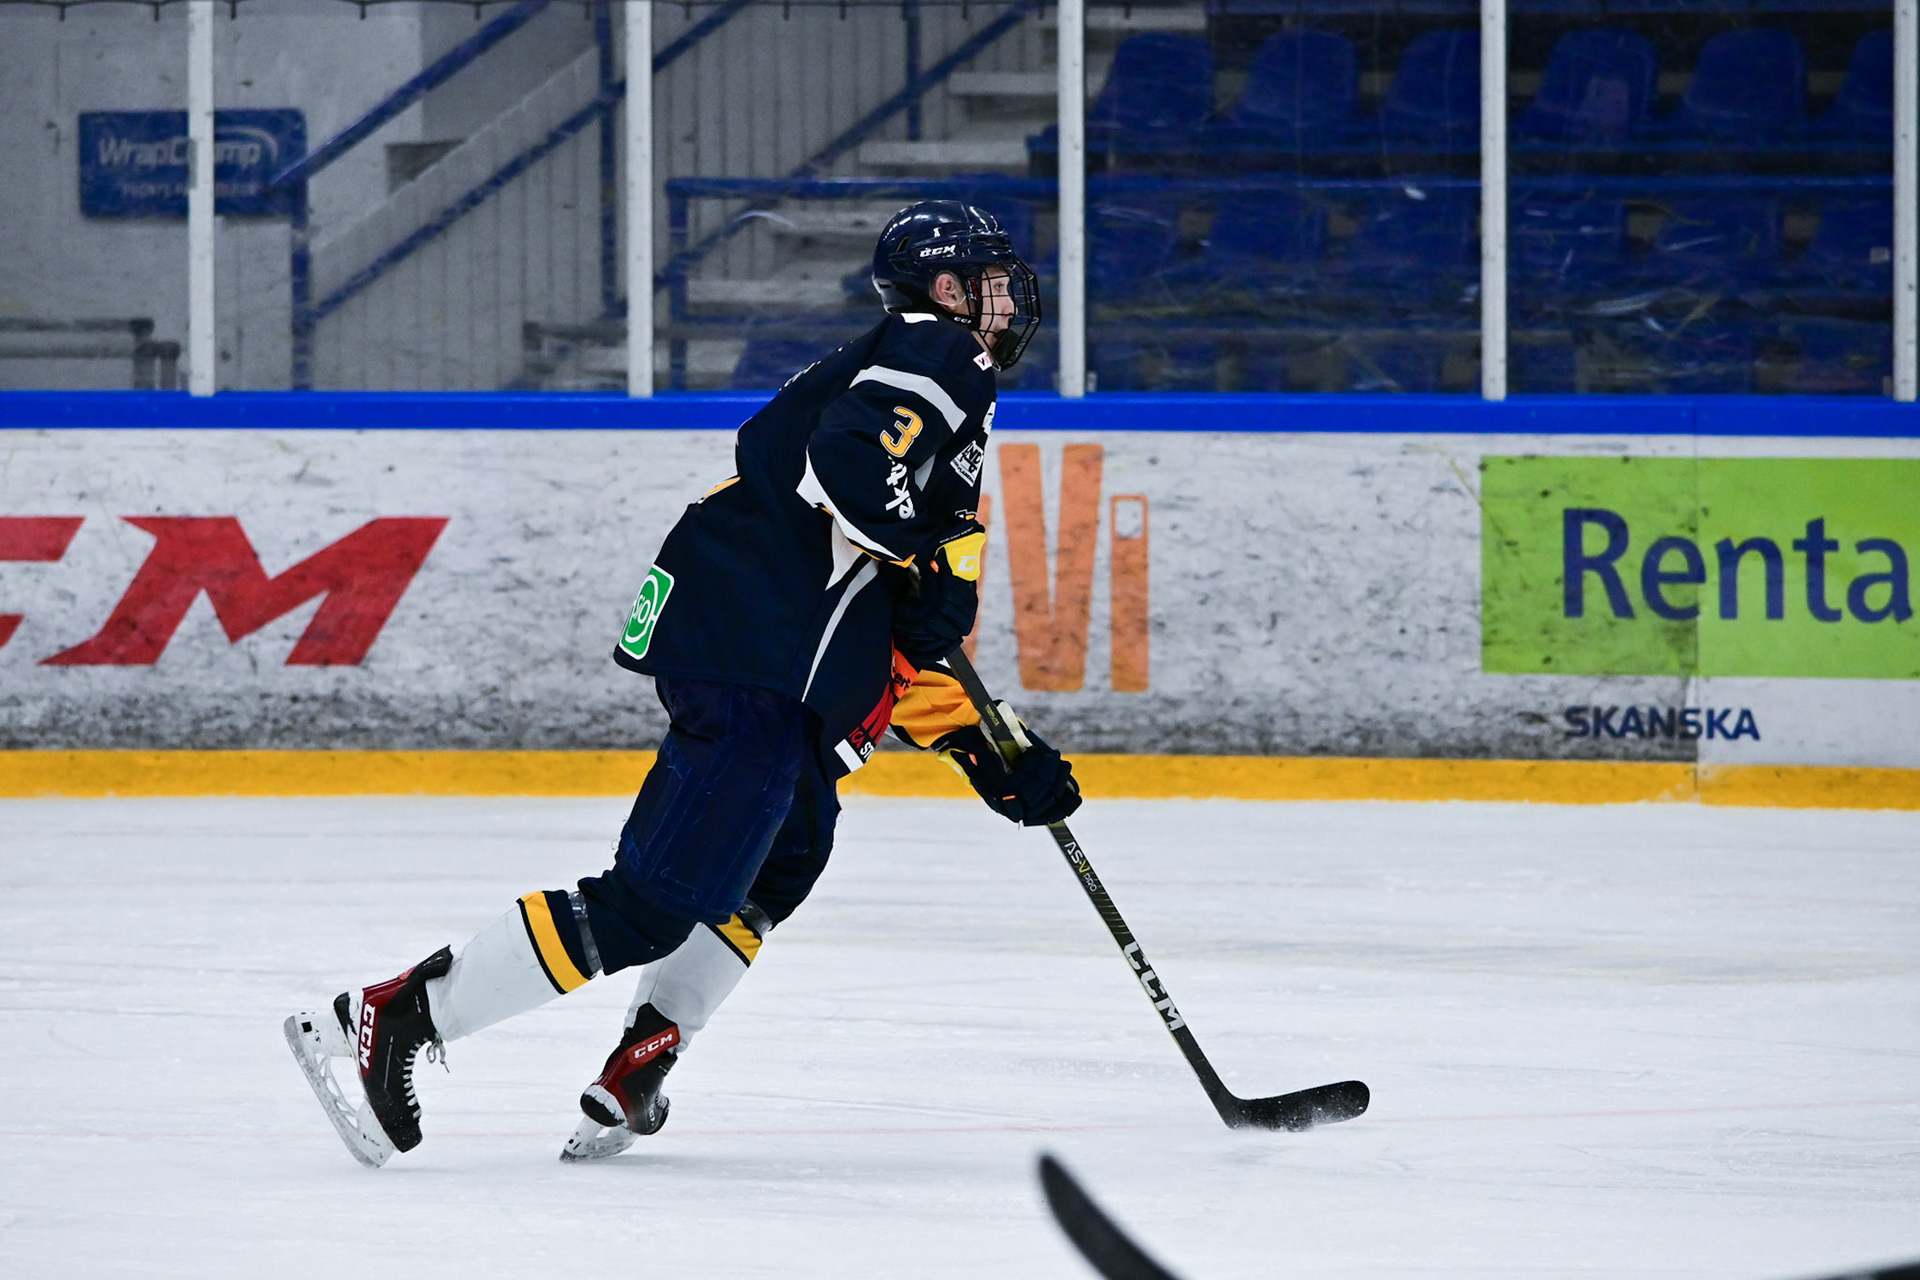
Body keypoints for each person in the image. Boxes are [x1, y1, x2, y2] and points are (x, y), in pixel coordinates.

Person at [285, 201, 1084, 1169]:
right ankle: (397, 1015)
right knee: (650, 904)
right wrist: (931, 551)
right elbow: (848, 471)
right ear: (947, 288)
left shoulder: (922, 382)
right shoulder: (938, 349)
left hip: (764, 655)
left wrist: (988, 747)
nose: (1008, 301)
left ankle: (644, 1055)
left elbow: (884, 615)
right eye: (989, 282)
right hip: (755, 658)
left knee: (787, 851)